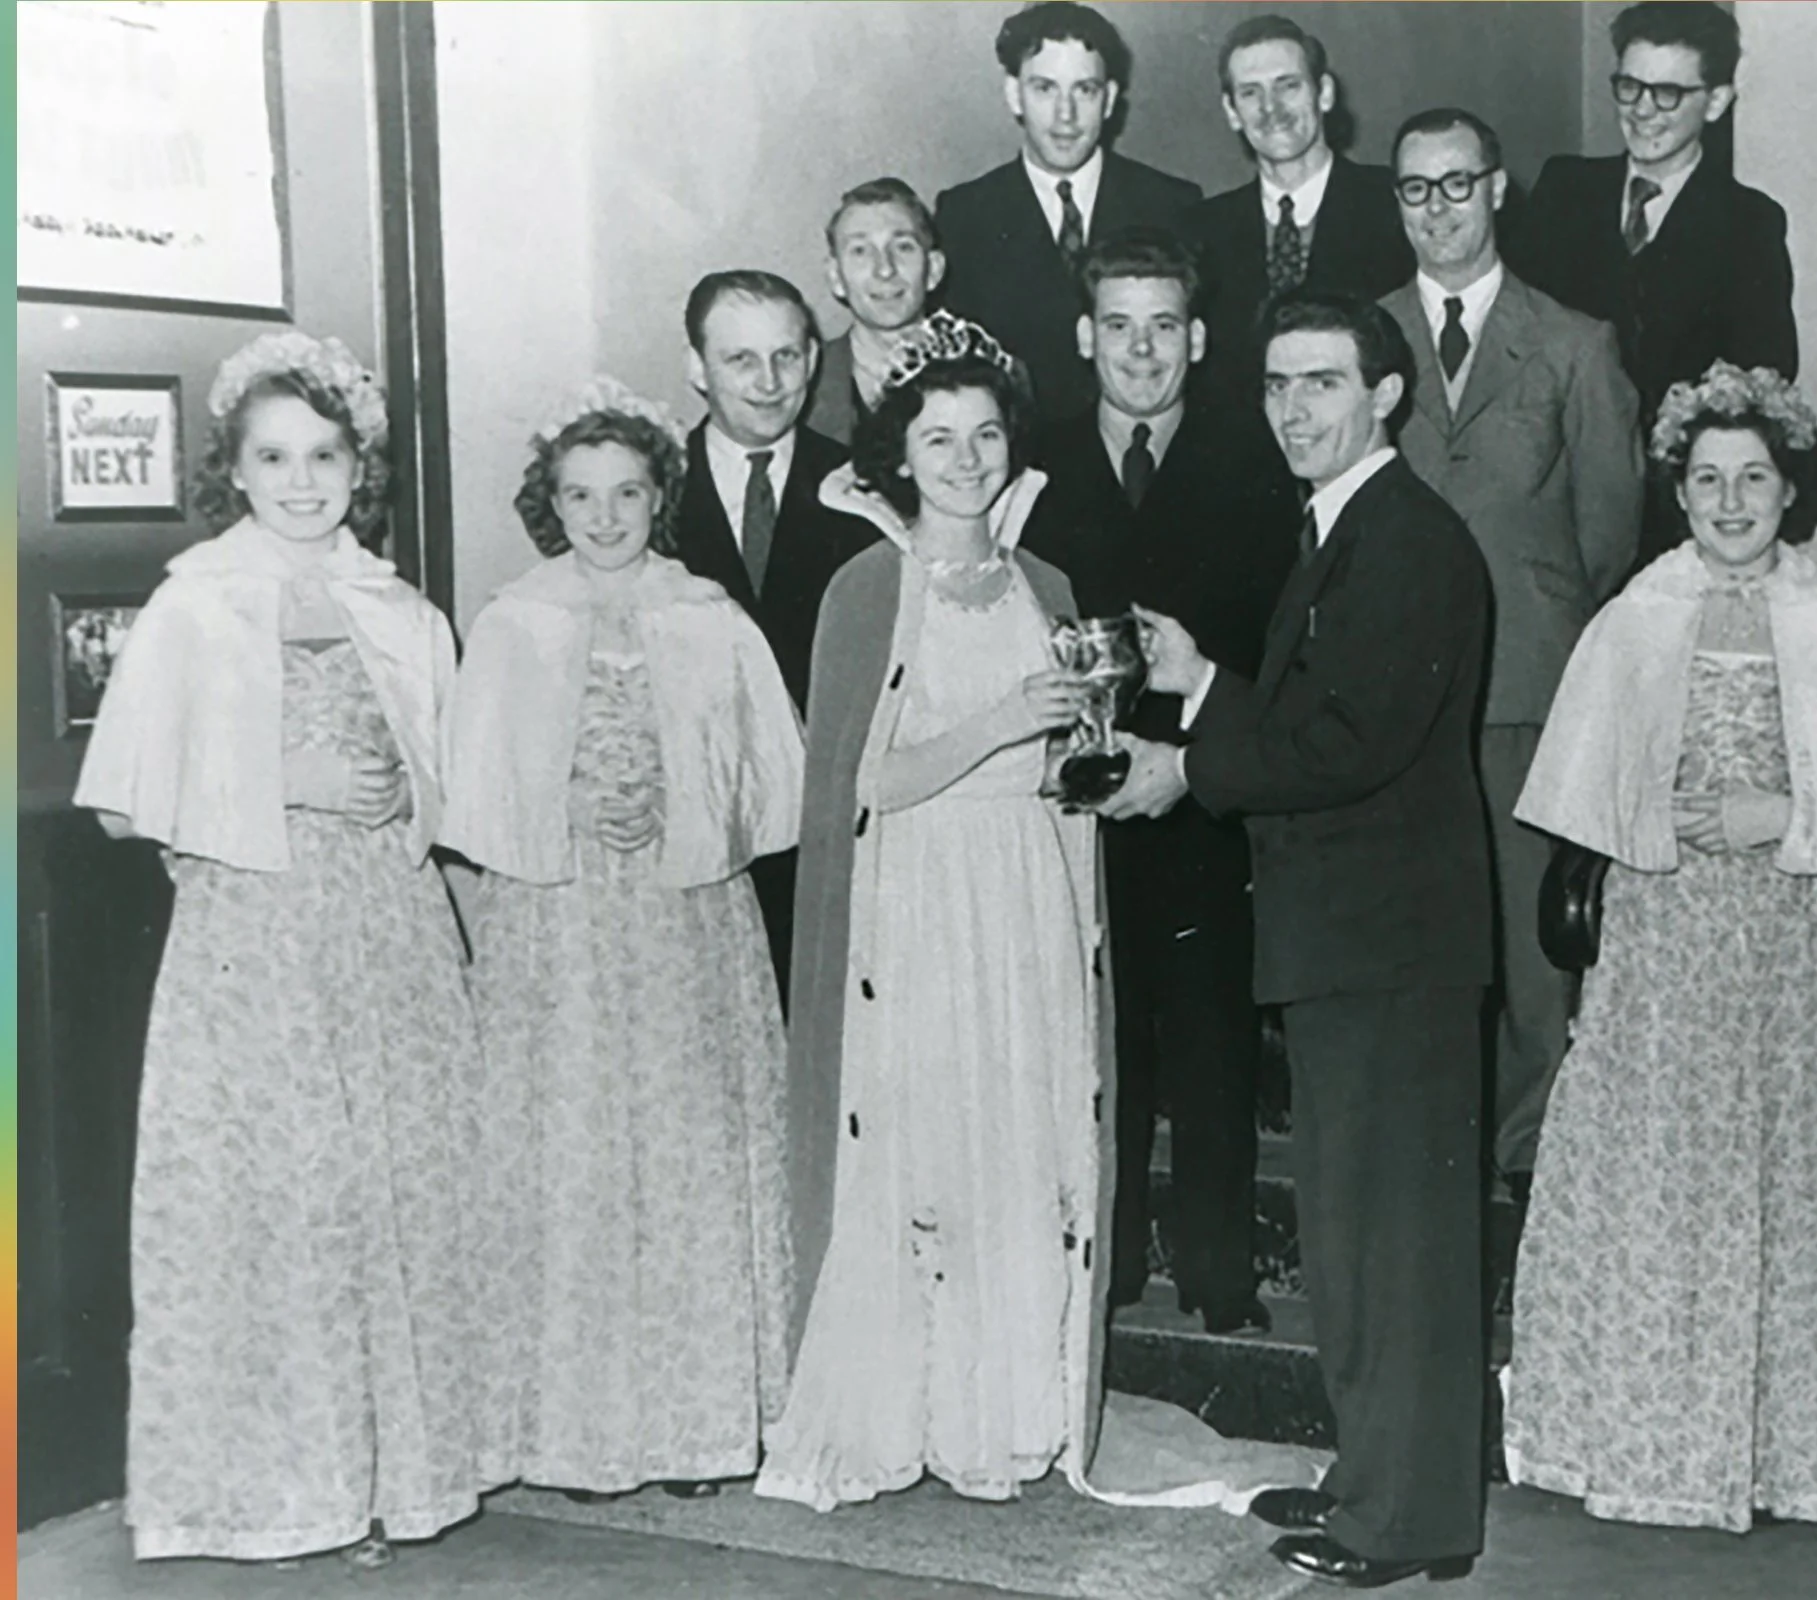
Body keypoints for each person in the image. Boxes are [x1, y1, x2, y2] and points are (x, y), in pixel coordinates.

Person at [75, 331, 492, 1565]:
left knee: (392, 1193)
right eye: (273, 456)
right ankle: (276, 1486)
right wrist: (287, 772)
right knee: (280, 1200)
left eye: (324, 455)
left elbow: (458, 785)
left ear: (358, 465)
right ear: (235, 468)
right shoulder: (192, 602)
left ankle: (393, 1477)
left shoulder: (400, 610)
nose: (301, 480)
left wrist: (400, 796)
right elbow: (118, 798)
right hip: (251, 940)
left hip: (385, 934)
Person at [1127, 292, 1492, 1588]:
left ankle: (1410, 1523)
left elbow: (1347, 746)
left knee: (1395, 1243)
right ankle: (1375, 1482)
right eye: (1278, 384)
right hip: (1359, 942)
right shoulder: (1346, 528)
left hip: (1389, 947)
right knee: (1355, 1232)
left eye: (1322, 384)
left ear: (1385, 396)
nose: (1294, 409)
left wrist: (1189, 763)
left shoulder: (1404, 540)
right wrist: (1210, 683)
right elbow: (1324, 712)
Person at [1506, 362, 1817, 1532]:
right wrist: (1657, 817)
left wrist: (1778, 816)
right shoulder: (1631, 623)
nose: (1732, 502)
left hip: (1802, 934)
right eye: (1708, 480)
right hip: (1669, 934)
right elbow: (1585, 794)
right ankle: (1661, 1438)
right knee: (1669, 1174)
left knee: (1799, 1173)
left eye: (1755, 479)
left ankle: (1789, 1451)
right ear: (1679, 492)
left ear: (1792, 493)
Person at [754, 320, 1109, 1510]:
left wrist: (1073, 767)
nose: (965, 458)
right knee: (937, 1146)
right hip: (923, 898)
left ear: (1015, 446)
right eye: (938, 438)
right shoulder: (868, 586)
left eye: (986, 434)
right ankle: (908, 1411)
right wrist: (1003, 721)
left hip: (1025, 892)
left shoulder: (1046, 584)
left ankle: (1004, 1414)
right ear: (899, 456)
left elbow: (1059, 763)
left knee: (1023, 1136)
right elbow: (862, 785)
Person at [442, 379, 804, 1504]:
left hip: (685, 921)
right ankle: (576, 1430)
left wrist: (682, 803)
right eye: (580, 495)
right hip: (557, 928)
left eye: (628, 492)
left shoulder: (708, 613)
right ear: (550, 503)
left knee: (690, 1154)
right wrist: (565, 807)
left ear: (661, 493)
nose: (606, 517)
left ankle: (699, 1425)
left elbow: (771, 773)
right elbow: (473, 789)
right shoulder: (512, 620)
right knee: (575, 1158)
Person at [1019, 227, 1297, 1335]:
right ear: (1086, 337)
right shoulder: (1032, 469)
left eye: (1165, 326)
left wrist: (1189, 761)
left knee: (1213, 1037)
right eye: (1121, 326)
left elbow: (1277, 642)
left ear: (1200, 336)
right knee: (1098, 1041)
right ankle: (1113, 1262)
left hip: (1200, 792)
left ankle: (1222, 1276)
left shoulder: (1254, 459)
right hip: (1072, 800)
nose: (1143, 351)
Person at [1379, 106, 1645, 1224]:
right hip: (1394, 700)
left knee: (1534, 962)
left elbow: (1607, 535)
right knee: (1417, 942)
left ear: (1497, 191)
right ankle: (1431, 1169)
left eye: (1457, 184)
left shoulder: (1575, 343)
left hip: (1528, 690)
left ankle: (1531, 1170)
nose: (1438, 209)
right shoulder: (1365, 334)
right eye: (1415, 190)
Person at [1515, 0, 1797, 568]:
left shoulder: (1747, 222)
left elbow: (1764, 374)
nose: (1643, 110)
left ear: (1716, 101)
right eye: (1629, 87)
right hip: (1555, 504)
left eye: (1668, 93)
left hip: (1671, 519)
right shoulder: (1563, 191)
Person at [674, 267, 876, 1002]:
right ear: (696, 367)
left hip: (826, 828)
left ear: (814, 359)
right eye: (740, 359)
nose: (768, 381)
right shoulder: (651, 491)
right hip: (694, 833)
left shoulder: (866, 492)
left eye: (786, 356)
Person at [936, 1, 1201, 423]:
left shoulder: (1173, 205)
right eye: (1045, 88)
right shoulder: (964, 215)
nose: (1066, 114)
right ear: (1014, 94)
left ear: (1110, 99)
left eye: (1085, 90)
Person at [1184, 14, 1413, 405]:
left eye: (1287, 86)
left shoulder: (1393, 203)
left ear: (1323, 92)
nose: (1271, 108)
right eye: (1251, 93)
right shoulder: (1201, 229)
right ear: (1232, 111)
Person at [810, 178, 947, 446]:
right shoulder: (803, 382)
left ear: (933, 269)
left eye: (903, 247)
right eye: (860, 251)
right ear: (835, 277)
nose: (885, 269)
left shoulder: (998, 372)